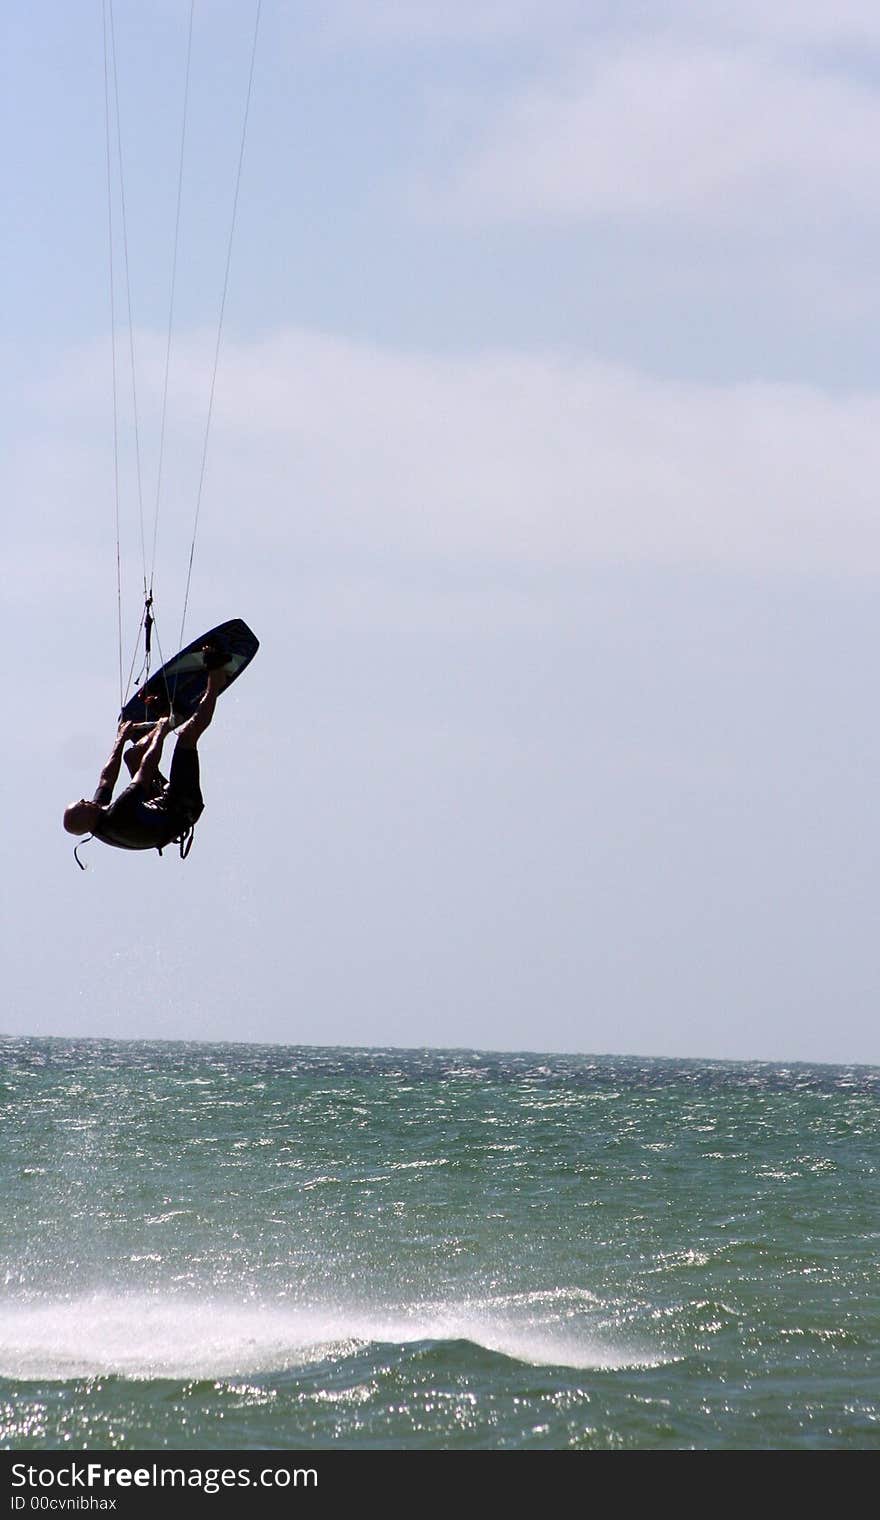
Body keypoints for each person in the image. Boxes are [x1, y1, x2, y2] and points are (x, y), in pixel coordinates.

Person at [63, 666, 226, 855]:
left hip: (159, 802)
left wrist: (120, 739)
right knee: (186, 736)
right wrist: (162, 730)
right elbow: (146, 769)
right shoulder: (117, 815)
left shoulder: (96, 813)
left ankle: (170, 718)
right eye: (83, 804)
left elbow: (106, 779)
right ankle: (216, 678)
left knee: (131, 756)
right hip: (182, 808)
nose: (85, 799)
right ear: (86, 819)